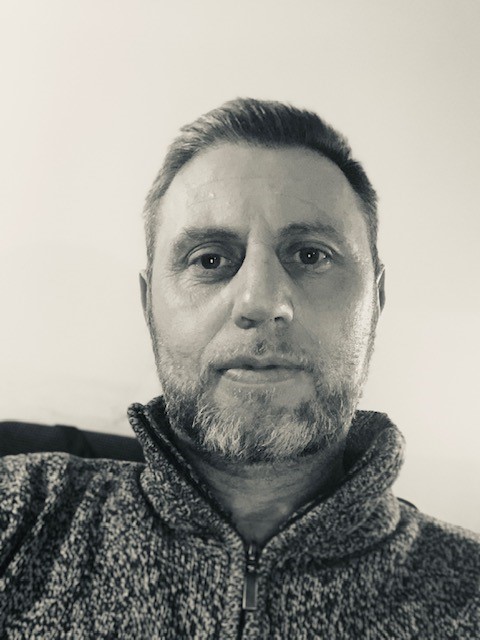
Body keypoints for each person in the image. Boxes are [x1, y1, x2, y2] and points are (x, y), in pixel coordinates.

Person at [0, 98, 478, 639]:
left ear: (377, 300)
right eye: (209, 260)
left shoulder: (469, 593)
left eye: (311, 255)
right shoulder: (20, 515)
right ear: (148, 306)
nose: (259, 300)